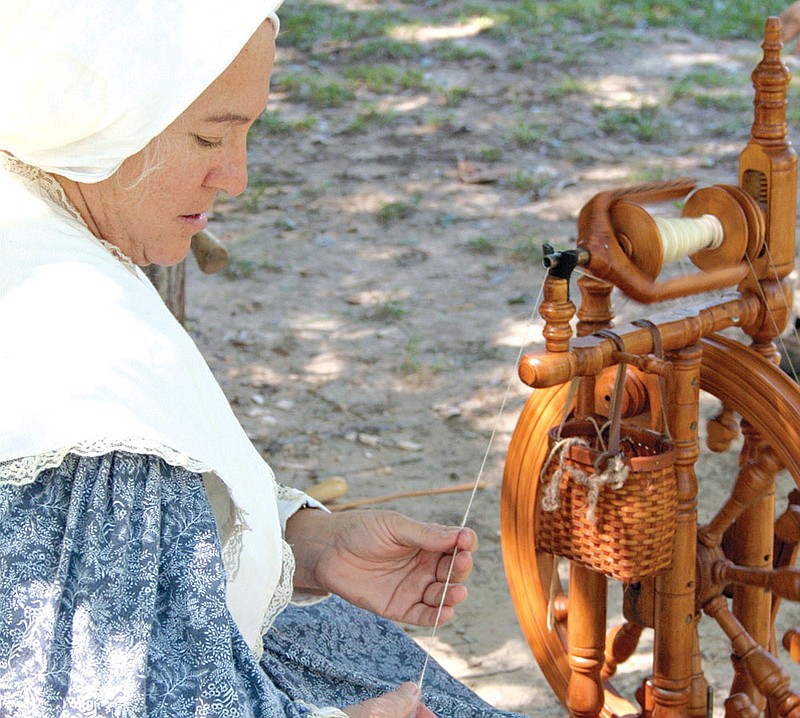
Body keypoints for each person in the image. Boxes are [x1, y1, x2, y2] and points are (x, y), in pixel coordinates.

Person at [0, 2, 528, 717]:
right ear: (104, 118)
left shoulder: (33, 217)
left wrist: (306, 546)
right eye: (210, 135)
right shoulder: (82, 363)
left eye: (248, 131)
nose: (236, 177)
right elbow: (91, 693)